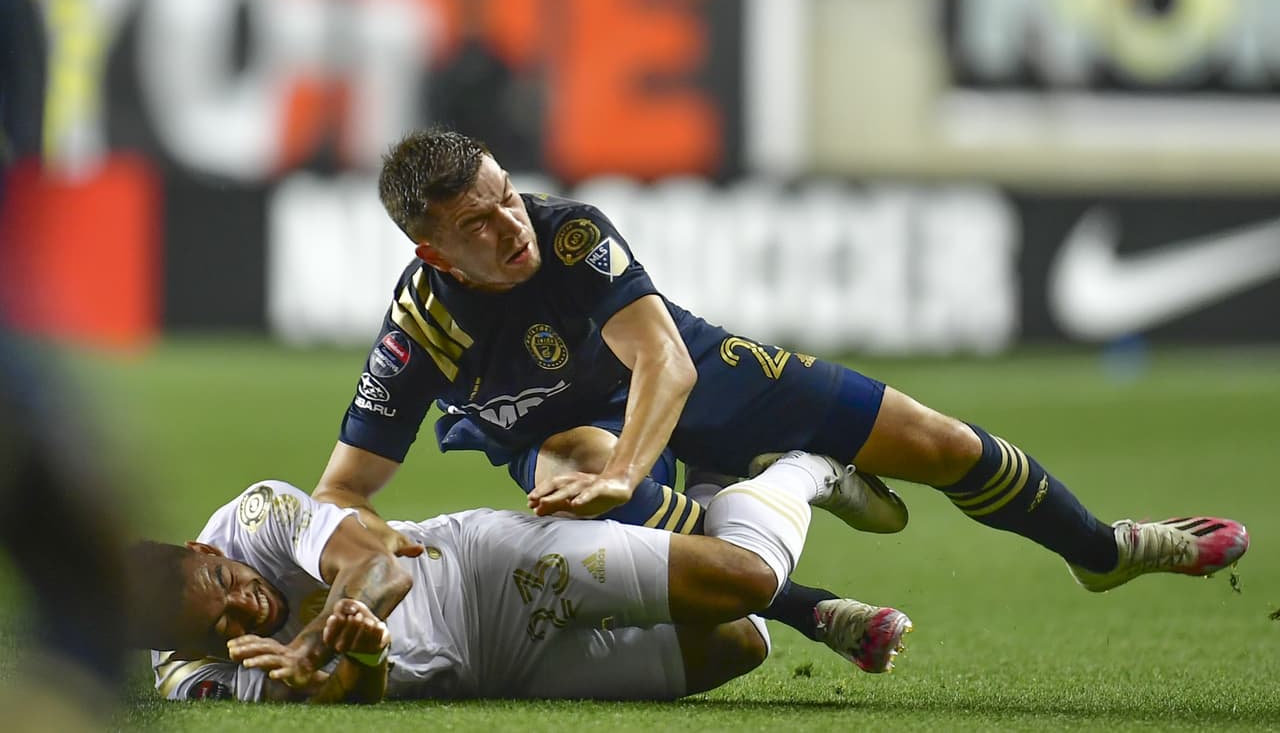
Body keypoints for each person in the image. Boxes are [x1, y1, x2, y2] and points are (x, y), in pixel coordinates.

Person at [313, 128, 1248, 599]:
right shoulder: (419, 331)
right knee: (580, 479)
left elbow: (664, 362)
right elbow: (341, 488)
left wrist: (632, 467)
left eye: (507, 196)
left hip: (689, 371)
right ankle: (788, 501)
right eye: (478, 223)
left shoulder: (569, 235)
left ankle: (1103, 552)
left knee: (939, 442)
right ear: (434, 252)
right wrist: (375, 549)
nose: (510, 224)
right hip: (574, 433)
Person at [130, 453, 913, 703]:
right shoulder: (195, 682)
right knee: (741, 643)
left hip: (486, 570)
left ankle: (804, 467)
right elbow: (339, 699)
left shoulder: (255, 515)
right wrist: (360, 657)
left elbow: (378, 567)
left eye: (224, 580)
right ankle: (714, 489)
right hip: (496, 670)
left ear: (200, 547)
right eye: (222, 625)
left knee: (746, 576)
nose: (245, 605)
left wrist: (311, 643)